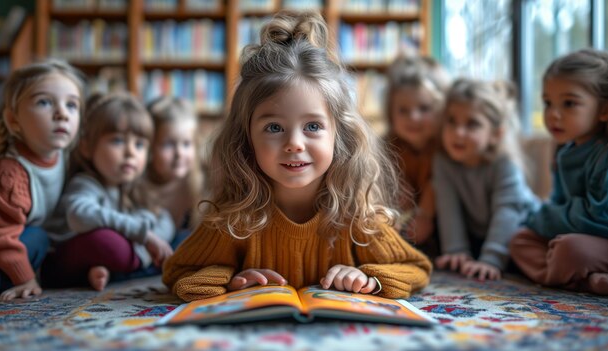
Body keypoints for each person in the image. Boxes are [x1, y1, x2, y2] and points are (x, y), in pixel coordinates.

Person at [162, 10, 432, 302]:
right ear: (246, 138)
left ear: (339, 135)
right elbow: (177, 272)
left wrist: (369, 279)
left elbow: (416, 268)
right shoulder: (233, 219)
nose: (294, 144)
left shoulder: (357, 216)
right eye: (274, 127)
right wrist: (228, 280)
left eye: (313, 126)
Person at [42, 93, 174, 291]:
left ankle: (107, 271)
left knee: (179, 238)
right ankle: (129, 268)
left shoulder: (132, 188)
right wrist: (144, 237)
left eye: (139, 145)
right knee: (108, 243)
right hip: (63, 259)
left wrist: (152, 239)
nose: (131, 152)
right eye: (118, 141)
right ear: (87, 147)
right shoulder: (85, 183)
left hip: (112, 255)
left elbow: (165, 219)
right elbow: (79, 215)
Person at [509, 49, 608, 295]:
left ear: (604, 109)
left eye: (569, 103)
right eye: (547, 103)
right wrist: (543, 219)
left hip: (598, 236)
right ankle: (587, 281)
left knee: (569, 249)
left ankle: (575, 277)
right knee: (520, 240)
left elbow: (599, 218)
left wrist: (543, 217)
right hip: (581, 237)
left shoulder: (604, 154)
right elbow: (559, 201)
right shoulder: (565, 151)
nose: (553, 114)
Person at [0, 60, 84, 301]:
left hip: (19, 240)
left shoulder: (64, 155)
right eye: (44, 102)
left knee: (41, 237)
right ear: (14, 119)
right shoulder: (11, 172)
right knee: (35, 238)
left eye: (72, 105)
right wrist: (23, 277)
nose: (62, 113)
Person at [433, 78, 539, 281]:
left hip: (522, 227)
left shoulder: (504, 163)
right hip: (482, 236)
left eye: (472, 124)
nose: (458, 133)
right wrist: (456, 251)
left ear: (496, 134)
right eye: (451, 121)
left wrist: (491, 259)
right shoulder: (443, 161)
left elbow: (508, 212)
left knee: (526, 249)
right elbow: (448, 206)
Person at [385, 54, 449, 253]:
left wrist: (425, 214)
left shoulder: (445, 147)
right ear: (390, 113)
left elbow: (438, 183)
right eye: (403, 110)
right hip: (403, 220)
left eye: (424, 108)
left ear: (441, 110)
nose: (414, 117)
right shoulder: (388, 146)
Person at [144, 96, 204, 242]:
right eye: (168, 144)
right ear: (149, 147)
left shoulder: (201, 184)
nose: (179, 153)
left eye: (186, 144)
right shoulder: (138, 186)